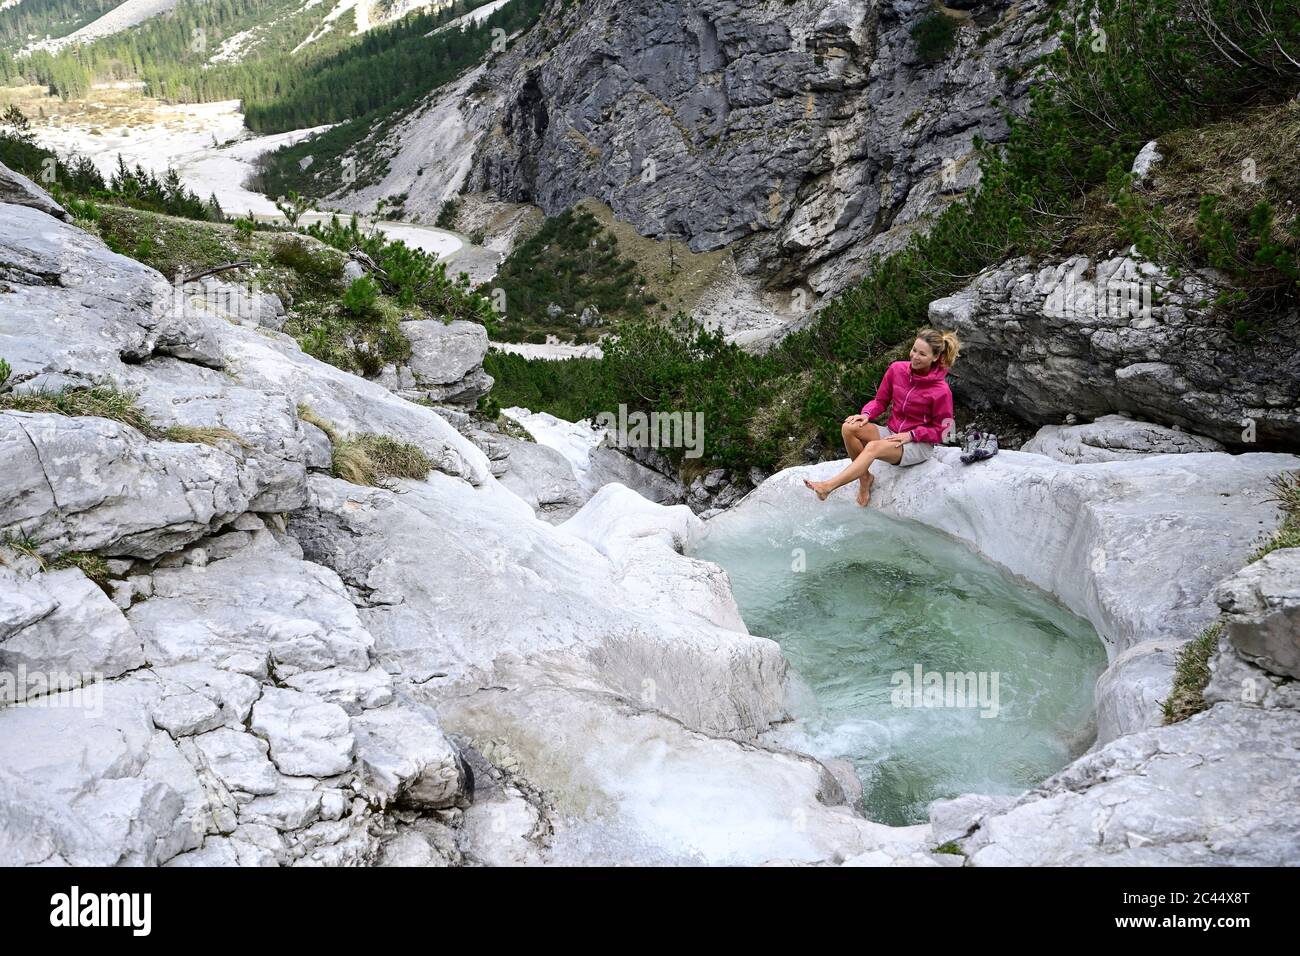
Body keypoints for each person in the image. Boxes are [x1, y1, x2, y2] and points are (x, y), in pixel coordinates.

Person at [804, 328, 960, 506]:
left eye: (922, 354)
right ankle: (865, 479)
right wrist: (866, 414)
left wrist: (911, 435)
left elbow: (945, 431)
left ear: (935, 357)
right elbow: (880, 401)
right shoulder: (896, 369)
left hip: (917, 444)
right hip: (892, 433)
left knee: (873, 447)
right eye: (914, 350)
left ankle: (827, 487)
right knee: (849, 427)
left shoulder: (941, 390)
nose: (915, 356)